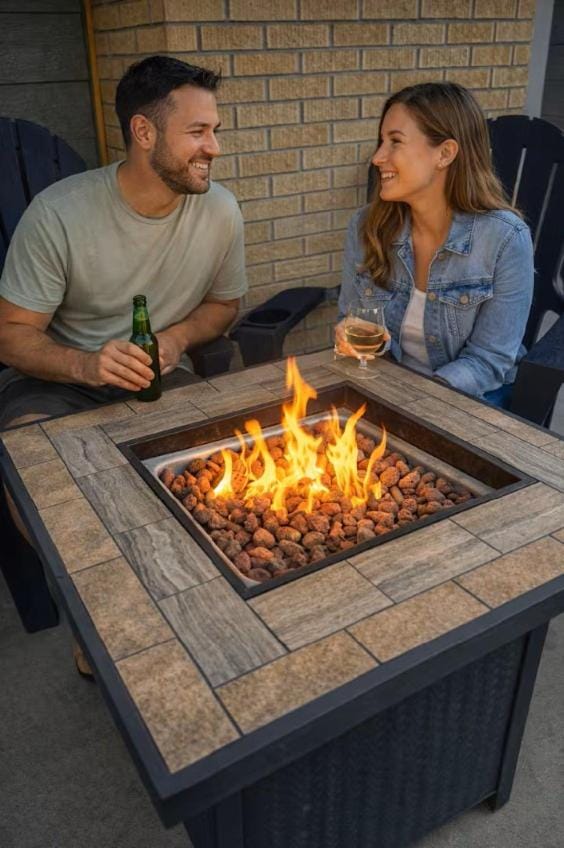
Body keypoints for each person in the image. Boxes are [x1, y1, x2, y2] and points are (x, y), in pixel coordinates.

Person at [0, 55, 247, 676]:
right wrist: (86, 367)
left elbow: (224, 306)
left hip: (161, 378)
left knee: (224, 462)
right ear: (144, 133)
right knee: (32, 469)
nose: (213, 148)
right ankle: (103, 612)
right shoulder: (59, 214)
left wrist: (177, 337)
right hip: (58, 381)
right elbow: (11, 336)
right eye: (198, 132)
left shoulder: (219, 211)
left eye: (215, 130)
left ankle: (204, 603)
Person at [335, 82, 534, 404]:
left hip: (472, 396)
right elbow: (351, 318)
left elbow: (489, 360)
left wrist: (417, 400)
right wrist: (348, 334)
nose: (377, 157)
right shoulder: (366, 226)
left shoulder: (505, 239)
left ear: (445, 154)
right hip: (388, 386)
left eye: (395, 142)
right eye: (381, 142)